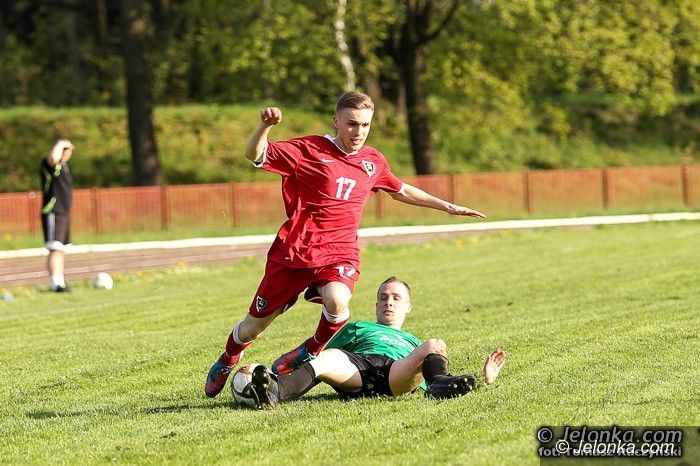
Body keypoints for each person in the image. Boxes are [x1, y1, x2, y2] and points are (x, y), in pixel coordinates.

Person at [204, 90, 486, 398]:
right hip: (294, 253)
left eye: (365, 125)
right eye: (352, 124)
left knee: (338, 301)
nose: (358, 132)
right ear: (336, 121)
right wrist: (265, 127)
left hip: (340, 252)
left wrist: (446, 206)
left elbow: (401, 190)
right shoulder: (309, 149)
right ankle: (228, 359)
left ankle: (310, 350)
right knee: (251, 328)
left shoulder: (373, 161)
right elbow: (255, 154)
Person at [245, 277, 507, 408]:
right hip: (358, 371)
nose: (388, 302)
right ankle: (273, 392)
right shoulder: (359, 327)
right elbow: (316, 350)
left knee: (434, 344)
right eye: (383, 297)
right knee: (327, 357)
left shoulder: (414, 343)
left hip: (395, 372)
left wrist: (486, 378)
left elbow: (439, 375)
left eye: (395, 298)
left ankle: (438, 385)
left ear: (408, 306)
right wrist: (279, 368)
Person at [39, 139, 75, 292]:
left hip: (64, 213)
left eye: (68, 150)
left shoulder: (65, 167)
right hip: (54, 211)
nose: (66, 153)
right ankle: (55, 283)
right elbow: (53, 158)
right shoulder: (50, 165)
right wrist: (61, 144)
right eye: (63, 150)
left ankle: (60, 281)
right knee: (54, 247)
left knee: (60, 248)